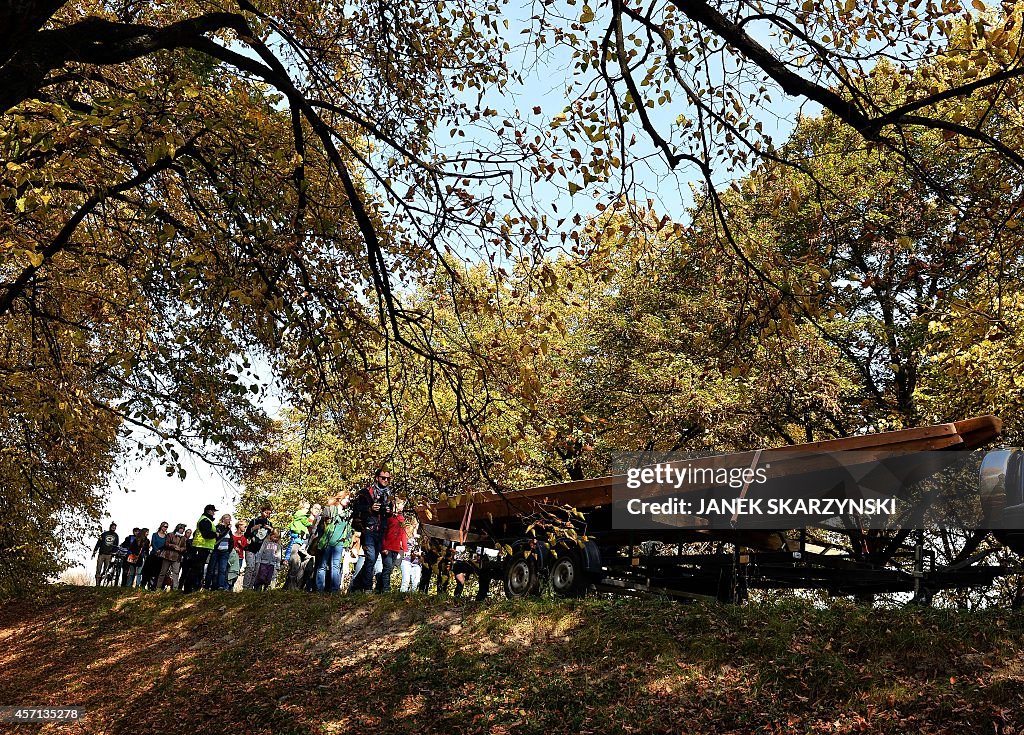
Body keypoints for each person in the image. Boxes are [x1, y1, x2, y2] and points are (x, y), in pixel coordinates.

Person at [348, 468, 395, 593]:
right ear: (376, 478)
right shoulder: (365, 492)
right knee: (370, 557)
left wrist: (389, 512)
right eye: (383, 478)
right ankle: (367, 588)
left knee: (372, 560)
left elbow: (389, 513)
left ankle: (356, 585)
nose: (385, 480)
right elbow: (356, 507)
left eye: (388, 478)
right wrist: (370, 508)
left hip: (381, 531)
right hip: (368, 530)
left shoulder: (389, 495)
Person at [315, 493, 354, 593]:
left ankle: (334, 590)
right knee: (322, 565)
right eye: (346, 498)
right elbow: (322, 526)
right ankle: (320, 589)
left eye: (348, 499)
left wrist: (347, 542)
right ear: (340, 498)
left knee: (336, 566)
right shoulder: (330, 509)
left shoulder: (348, 513)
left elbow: (349, 529)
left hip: (339, 543)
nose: (347, 501)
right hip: (328, 541)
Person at [184, 504, 218, 593]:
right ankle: (188, 589)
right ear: (209, 511)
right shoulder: (205, 520)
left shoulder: (207, 520)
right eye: (213, 511)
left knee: (199, 569)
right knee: (196, 569)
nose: (214, 513)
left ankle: (194, 588)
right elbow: (206, 534)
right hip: (200, 547)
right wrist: (216, 534)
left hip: (203, 547)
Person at [376, 505, 408, 592]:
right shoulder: (388, 518)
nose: (400, 507)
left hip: (396, 548)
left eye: (401, 504)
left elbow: (403, 534)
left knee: (389, 569)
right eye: (398, 504)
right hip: (387, 547)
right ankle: (386, 589)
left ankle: (379, 587)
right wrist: (383, 547)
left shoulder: (401, 519)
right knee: (387, 568)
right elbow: (383, 533)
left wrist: (405, 548)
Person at [243, 504, 274, 590]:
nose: (267, 515)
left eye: (269, 513)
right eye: (265, 512)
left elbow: (273, 537)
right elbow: (246, 535)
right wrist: (252, 529)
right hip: (251, 548)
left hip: (261, 550)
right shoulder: (253, 521)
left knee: (256, 570)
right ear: (261, 512)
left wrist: (271, 530)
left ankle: (251, 587)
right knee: (250, 567)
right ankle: (245, 587)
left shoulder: (269, 524)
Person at [204, 513, 234, 590]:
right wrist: (227, 529)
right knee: (211, 569)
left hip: (224, 552)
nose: (229, 520)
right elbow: (219, 535)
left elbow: (231, 541)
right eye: (228, 518)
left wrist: (228, 550)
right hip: (216, 551)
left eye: (230, 519)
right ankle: (207, 586)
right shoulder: (218, 527)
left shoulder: (229, 530)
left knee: (222, 569)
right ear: (223, 519)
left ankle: (220, 586)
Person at [157, 523, 188, 590]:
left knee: (176, 573)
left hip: (177, 557)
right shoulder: (170, 535)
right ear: (177, 528)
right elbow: (166, 544)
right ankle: (158, 588)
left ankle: (175, 589)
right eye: (181, 528)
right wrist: (173, 546)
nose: (182, 530)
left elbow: (184, 547)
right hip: (167, 556)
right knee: (163, 572)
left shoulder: (183, 538)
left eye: (183, 529)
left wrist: (180, 549)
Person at [141, 522, 169, 589]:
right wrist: (157, 550)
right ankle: (142, 585)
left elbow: (165, 545)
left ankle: (153, 587)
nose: (165, 528)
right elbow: (153, 543)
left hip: (160, 557)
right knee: (147, 571)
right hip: (153, 555)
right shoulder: (155, 534)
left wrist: (161, 551)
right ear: (161, 526)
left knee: (157, 573)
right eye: (165, 526)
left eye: (167, 527)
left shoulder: (166, 536)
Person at [228, 520, 247, 590]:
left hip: (240, 557)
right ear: (239, 526)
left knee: (236, 573)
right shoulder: (232, 536)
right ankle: (227, 588)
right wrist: (233, 548)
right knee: (230, 572)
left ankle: (232, 587)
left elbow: (245, 547)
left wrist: (240, 544)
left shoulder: (243, 538)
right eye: (244, 526)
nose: (245, 528)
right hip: (231, 557)